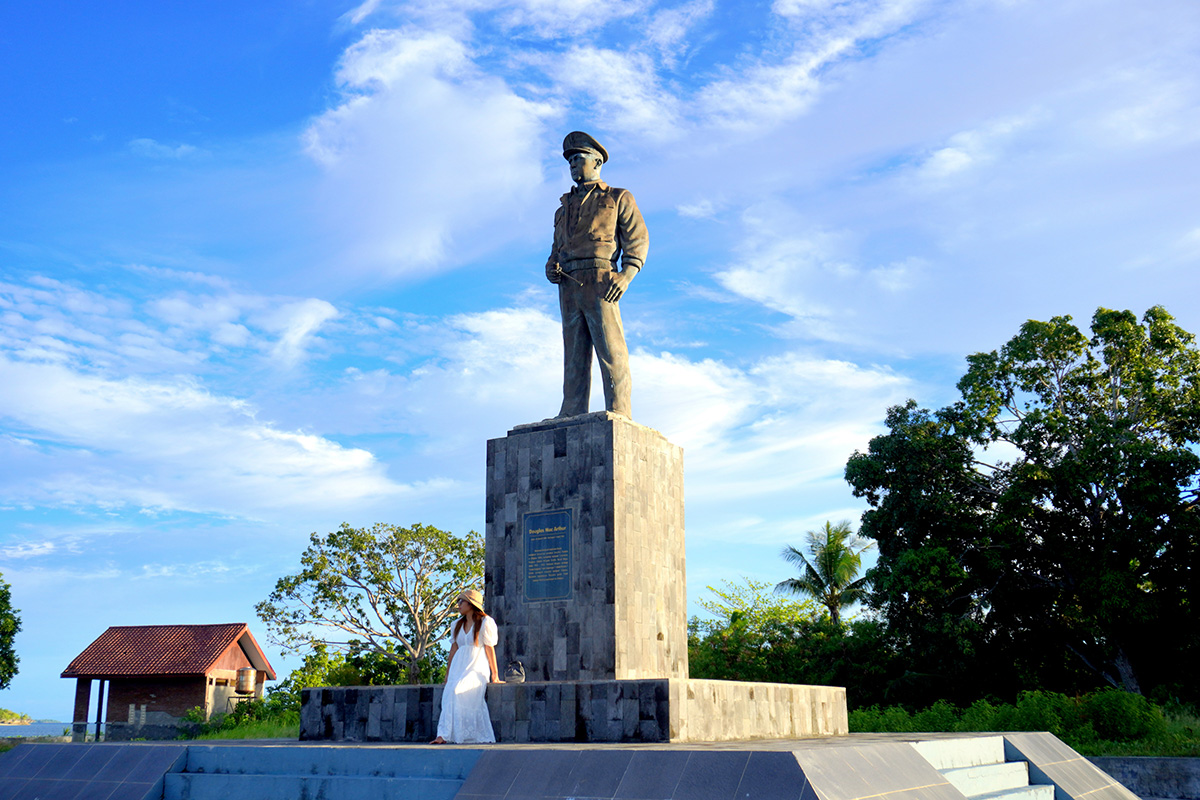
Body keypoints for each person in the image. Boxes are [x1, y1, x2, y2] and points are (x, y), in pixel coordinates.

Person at [545, 131, 648, 420]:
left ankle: (619, 409)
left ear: (597, 161)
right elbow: (557, 246)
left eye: (579, 159)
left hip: (602, 280)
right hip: (568, 282)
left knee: (610, 348)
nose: (574, 166)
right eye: (571, 162)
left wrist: (627, 274)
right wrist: (551, 264)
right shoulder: (563, 208)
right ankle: (571, 409)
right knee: (574, 353)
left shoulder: (617, 197)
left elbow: (637, 239)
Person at [430, 589, 501, 744]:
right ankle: (443, 735)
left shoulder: (485, 622)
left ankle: (466, 734)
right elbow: (453, 649)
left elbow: (489, 648)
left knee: (458, 690)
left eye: (461, 601)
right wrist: (448, 674)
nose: (459, 605)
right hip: (458, 666)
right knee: (449, 692)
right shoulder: (456, 624)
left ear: (471, 604)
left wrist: (495, 675)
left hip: (476, 666)